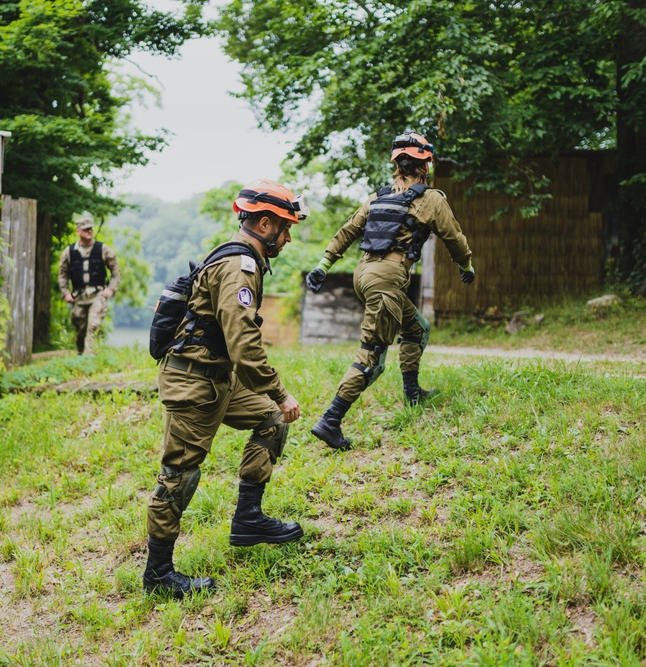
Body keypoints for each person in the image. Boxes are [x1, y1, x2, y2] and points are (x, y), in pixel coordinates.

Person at [143, 179, 308, 597]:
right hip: (193, 383)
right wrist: (282, 392)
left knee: (270, 421)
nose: (288, 238)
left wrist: (272, 402)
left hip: (218, 380)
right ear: (265, 223)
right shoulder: (239, 267)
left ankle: (248, 520)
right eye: (286, 228)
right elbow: (245, 347)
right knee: (178, 476)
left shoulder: (240, 259)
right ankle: (158, 575)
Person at [305, 131, 475, 451]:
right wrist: (466, 266)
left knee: (416, 328)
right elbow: (455, 238)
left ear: (396, 164)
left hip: (364, 274)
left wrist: (323, 265)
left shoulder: (377, 197)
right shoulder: (430, 199)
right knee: (372, 357)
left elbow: (347, 232)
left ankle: (412, 393)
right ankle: (331, 420)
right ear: (426, 164)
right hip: (386, 280)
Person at [57, 213, 121, 355]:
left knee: (93, 325)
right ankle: (81, 356)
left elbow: (116, 271)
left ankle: (89, 358)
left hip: (97, 295)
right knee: (80, 330)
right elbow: (62, 274)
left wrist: (110, 289)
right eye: (86, 229)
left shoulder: (103, 249)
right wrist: (66, 293)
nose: (90, 231)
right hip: (79, 297)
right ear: (78, 231)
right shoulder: (69, 251)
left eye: (91, 229)